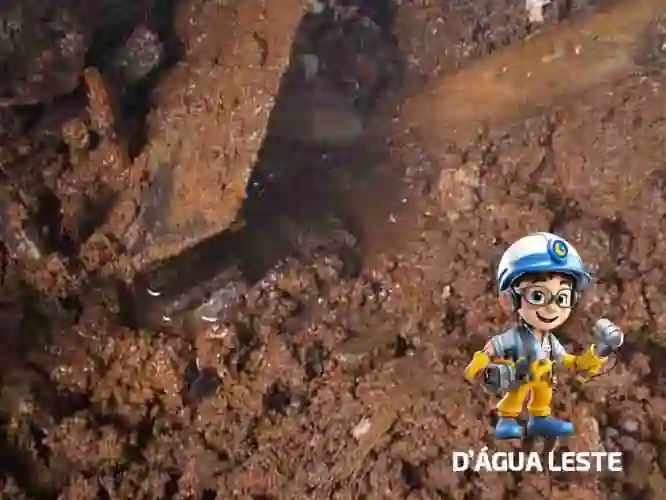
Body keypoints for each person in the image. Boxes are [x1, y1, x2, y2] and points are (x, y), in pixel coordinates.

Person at [464, 232, 608, 439]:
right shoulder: (517, 336)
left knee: (543, 393)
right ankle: (507, 418)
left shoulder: (550, 341)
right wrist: (479, 362)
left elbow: (567, 360)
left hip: (544, 377)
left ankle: (540, 419)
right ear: (510, 299)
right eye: (538, 295)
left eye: (562, 298)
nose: (552, 308)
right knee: (516, 395)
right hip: (521, 375)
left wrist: (593, 357)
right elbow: (493, 347)